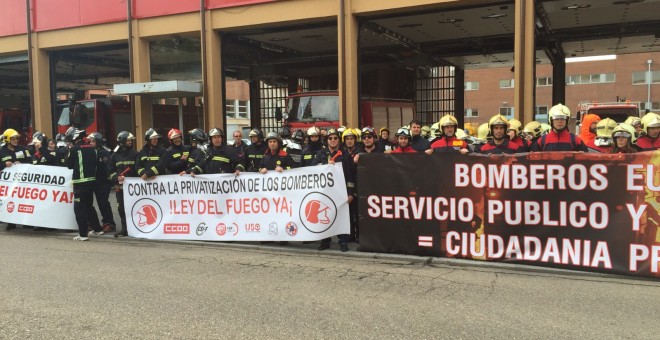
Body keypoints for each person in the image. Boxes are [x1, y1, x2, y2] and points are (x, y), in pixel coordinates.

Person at [311, 128, 353, 252]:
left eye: (335, 138)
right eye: (330, 138)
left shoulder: (345, 155)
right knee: (324, 216)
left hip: (341, 192)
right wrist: (325, 166)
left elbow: (350, 175)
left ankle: (343, 242)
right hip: (325, 191)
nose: (333, 140)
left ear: (339, 140)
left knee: (341, 216)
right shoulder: (321, 154)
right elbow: (312, 168)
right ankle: (325, 241)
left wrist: (350, 193)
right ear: (327, 140)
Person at [66, 127, 104, 241]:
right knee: (89, 206)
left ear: (73, 138)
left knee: (79, 209)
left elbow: (69, 165)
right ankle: (97, 229)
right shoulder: (92, 148)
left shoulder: (74, 149)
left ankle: (83, 234)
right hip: (91, 182)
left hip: (79, 183)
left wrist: (70, 150)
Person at [108, 131, 138, 237]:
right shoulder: (114, 156)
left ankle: (135, 229)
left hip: (133, 188)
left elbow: (138, 169)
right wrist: (116, 177)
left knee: (134, 208)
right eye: (128, 140)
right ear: (122, 142)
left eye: (130, 140)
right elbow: (110, 171)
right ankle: (124, 229)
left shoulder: (135, 154)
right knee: (121, 208)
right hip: (120, 188)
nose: (130, 142)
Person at [1, 129, 31, 230]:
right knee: (10, 201)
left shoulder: (23, 149)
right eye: (13, 139)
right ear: (7, 140)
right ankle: (11, 223)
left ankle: (26, 222)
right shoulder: (2, 151)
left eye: (16, 138)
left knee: (24, 201)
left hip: (23, 182)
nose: (15, 141)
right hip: (9, 183)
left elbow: (31, 161)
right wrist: (4, 164)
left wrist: (22, 164)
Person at [87, 132, 116, 233]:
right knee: (99, 203)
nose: (90, 143)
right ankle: (104, 222)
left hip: (104, 182)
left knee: (104, 202)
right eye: (90, 141)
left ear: (98, 142)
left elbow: (107, 168)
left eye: (93, 141)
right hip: (95, 182)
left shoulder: (104, 153)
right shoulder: (92, 151)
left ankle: (110, 223)